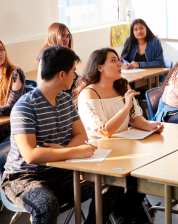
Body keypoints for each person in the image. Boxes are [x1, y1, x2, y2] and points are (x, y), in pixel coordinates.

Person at [0, 45, 118, 224]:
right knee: (47, 205)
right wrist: (74, 151)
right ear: (61, 74)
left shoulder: (65, 99)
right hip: (23, 177)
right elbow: (31, 155)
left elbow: (81, 135)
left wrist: (63, 150)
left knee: (110, 184)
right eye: (73, 71)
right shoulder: (25, 107)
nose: (75, 76)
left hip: (59, 172)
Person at [74, 47, 163, 223]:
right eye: (113, 60)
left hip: (121, 147)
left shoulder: (122, 85)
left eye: (119, 60)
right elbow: (105, 131)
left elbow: (135, 119)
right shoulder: (89, 93)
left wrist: (151, 125)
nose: (119, 64)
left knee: (146, 171)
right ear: (100, 67)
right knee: (113, 186)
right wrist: (125, 106)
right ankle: (123, 215)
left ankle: (125, 215)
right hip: (99, 153)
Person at [37, 22, 77, 94]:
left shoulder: (64, 55)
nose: (66, 39)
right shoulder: (48, 56)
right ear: (54, 37)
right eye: (63, 36)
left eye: (68, 36)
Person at [0, 40, 26, 142]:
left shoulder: (16, 74)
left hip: (10, 129)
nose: (0, 53)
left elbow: (11, 107)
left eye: (1, 49)